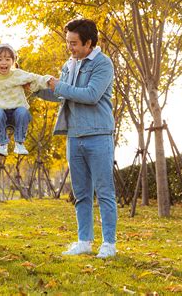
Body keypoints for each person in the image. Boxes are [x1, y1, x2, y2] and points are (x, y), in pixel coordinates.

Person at [36, 19, 117, 258]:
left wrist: (59, 85)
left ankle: (109, 244)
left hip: (98, 135)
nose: (69, 47)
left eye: (74, 43)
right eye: (68, 42)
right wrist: (36, 88)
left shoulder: (103, 64)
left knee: (104, 191)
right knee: (81, 193)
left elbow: (91, 95)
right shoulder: (69, 64)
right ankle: (84, 241)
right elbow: (63, 96)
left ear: (89, 43)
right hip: (74, 135)